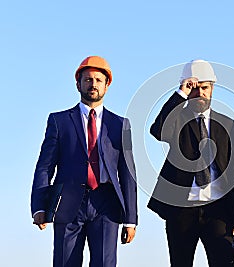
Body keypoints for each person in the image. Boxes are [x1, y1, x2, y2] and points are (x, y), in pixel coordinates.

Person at [30, 56, 138, 267]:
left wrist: (131, 218)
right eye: (88, 80)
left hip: (106, 205)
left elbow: (128, 173)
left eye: (98, 80)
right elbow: (44, 166)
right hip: (67, 205)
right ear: (78, 83)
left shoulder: (120, 125)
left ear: (107, 85)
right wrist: (39, 206)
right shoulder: (59, 121)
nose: (93, 84)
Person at [147, 59, 234, 267]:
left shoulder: (227, 124)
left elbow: (233, 170)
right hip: (182, 209)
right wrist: (180, 94)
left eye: (205, 87)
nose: (200, 92)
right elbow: (158, 130)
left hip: (218, 208)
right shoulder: (177, 119)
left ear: (212, 89)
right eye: (194, 88)